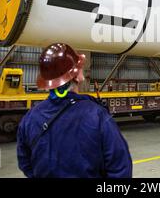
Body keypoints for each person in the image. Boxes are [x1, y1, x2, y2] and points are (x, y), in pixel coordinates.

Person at [17, 43, 132, 178]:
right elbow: (120, 168)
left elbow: (25, 163)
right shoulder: (98, 116)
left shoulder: (30, 118)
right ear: (77, 76)